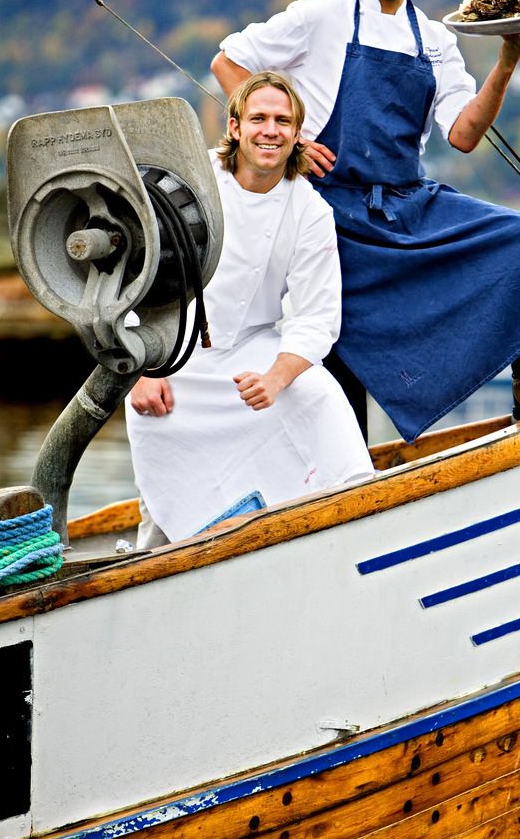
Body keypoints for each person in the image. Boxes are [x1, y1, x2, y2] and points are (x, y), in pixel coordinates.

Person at [211, 0, 520, 444]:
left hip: (407, 203)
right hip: (333, 214)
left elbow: (465, 134)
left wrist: (509, 58)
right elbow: (228, 61)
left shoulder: (438, 39)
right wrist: (295, 142)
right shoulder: (320, 16)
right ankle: (341, 468)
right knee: (334, 340)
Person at [125, 71, 374, 549]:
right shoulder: (191, 185)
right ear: (235, 127)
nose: (270, 130)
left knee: (319, 393)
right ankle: (155, 554)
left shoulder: (310, 210)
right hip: (172, 354)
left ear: (297, 134)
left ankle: (356, 516)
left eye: (283, 121)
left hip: (252, 350)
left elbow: (316, 316)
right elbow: (136, 276)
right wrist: (145, 367)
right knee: (157, 449)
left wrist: (276, 378)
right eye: (258, 118)